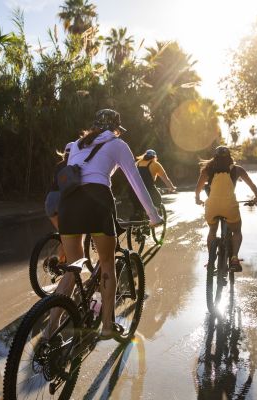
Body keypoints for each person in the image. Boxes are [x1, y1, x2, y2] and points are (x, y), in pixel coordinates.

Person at [53, 109, 162, 341]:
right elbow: (136, 181)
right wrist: (153, 216)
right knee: (106, 265)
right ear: (116, 128)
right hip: (97, 202)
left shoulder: (76, 144)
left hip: (68, 204)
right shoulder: (118, 144)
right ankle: (107, 326)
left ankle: (49, 330)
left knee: (73, 268)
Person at [195, 146, 257, 272]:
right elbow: (252, 185)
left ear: (214, 157)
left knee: (212, 231)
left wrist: (197, 199)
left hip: (212, 206)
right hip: (229, 206)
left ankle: (211, 261)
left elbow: (197, 189)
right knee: (236, 231)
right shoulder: (237, 170)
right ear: (230, 156)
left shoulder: (207, 170)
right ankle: (234, 259)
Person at [131, 149, 176, 218]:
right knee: (158, 199)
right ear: (154, 157)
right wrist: (172, 187)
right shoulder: (155, 164)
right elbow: (165, 179)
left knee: (137, 208)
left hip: (134, 189)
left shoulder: (137, 163)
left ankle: (137, 217)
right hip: (148, 188)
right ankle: (155, 216)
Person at [44, 142, 72, 231]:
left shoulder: (58, 165)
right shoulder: (74, 166)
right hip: (63, 199)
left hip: (50, 200)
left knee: (63, 235)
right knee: (74, 236)